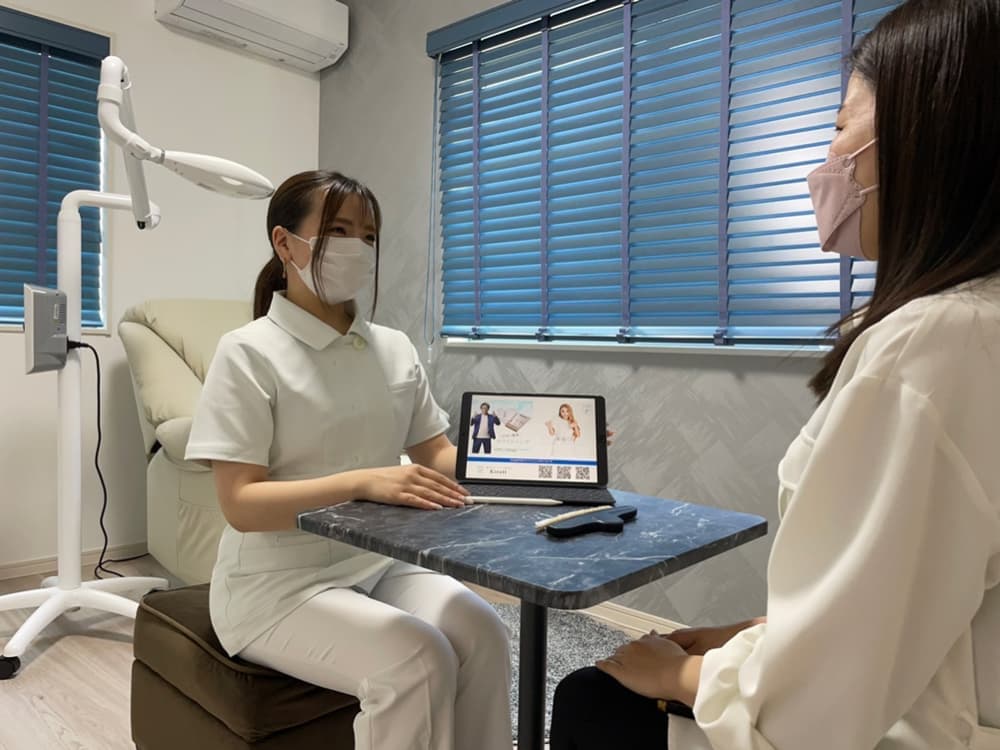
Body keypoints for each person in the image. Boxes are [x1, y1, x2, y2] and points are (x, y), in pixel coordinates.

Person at [550, 0, 1000, 747]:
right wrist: (759, 634)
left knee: (592, 697)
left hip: (902, 721)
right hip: (918, 677)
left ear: (927, 137)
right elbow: (912, 592)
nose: (826, 162)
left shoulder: (934, 346)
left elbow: (818, 702)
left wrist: (687, 676)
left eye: (838, 126)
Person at [185, 170, 512, 750]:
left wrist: (540, 457)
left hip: (378, 564)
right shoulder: (248, 354)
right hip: (276, 586)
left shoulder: (392, 348)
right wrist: (362, 482)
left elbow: (435, 452)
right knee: (417, 658)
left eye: (368, 235)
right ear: (286, 244)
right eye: (338, 231)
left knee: (482, 630)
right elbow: (240, 504)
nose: (357, 248)